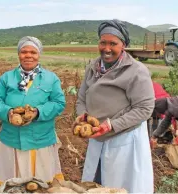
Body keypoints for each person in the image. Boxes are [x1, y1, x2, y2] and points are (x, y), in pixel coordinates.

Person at [74, 19, 155, 193]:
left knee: (121, 184)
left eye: (113, 43)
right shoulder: (93, 67)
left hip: (124, 137)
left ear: (123, 45)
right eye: (103, 42)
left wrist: (112, 125)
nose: (107, 48)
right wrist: (83, 118)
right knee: (96, 182)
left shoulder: (136, 70)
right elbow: (81, 98)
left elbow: (145, 108)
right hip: (97, 136)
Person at [0, 36, 66, 187]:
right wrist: (8, 112)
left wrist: (38, 112)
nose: (28, 55)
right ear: (19, 54)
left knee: (40, 184)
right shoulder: (7, 78)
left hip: (41, 140)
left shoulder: (51, 78)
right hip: (11, 140)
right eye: (24, 52)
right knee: (12, 185)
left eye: (33, 52)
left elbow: (59, 103)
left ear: (39, 55)